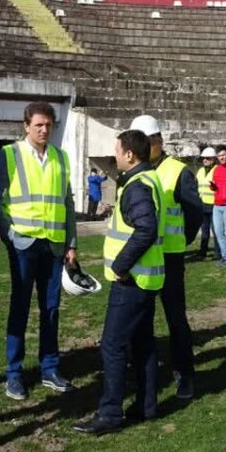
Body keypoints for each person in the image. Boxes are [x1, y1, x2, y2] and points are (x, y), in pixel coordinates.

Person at [73, 130, 165, 435]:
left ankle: (110, 413)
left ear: (130, 155)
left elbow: (145, 229)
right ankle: (147, 405)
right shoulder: (149, 179)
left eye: (117, 150)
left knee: (112, 345)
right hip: (147, 279)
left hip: (132, 280)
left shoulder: (137, 185)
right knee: (142, 344)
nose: (114, 155)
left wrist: (122, 265)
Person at [0, 101, 78, 401]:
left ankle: (50, 368)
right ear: (26, 126)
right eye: (38, 125)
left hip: (53, 245)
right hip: (23, 244)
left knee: (51, 309)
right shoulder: (9, 154)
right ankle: (14, 374)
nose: (44, 130)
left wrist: (71, 243)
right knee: (20, 307)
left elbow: (67, 203)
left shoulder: (61, 157)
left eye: (48, 125)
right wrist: (9, 235)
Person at [128, 115, 202, 400]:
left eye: (148, 142)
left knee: (175, 316)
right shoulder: (137, 169)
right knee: (140, 317)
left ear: (158, 141)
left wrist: (182, 240)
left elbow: (194, 213)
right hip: (142, 256)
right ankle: (143, 373)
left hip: (169, 256)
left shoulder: (178, 172)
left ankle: (185, 374)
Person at [196, 147, 220, 259]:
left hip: (214, 205)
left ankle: (217, 253)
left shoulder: (217, 170)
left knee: (216, 230)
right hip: (202, 205)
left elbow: (221, 187)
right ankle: (202, 252)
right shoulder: (200, 171)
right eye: (204, 158)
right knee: (204, 231)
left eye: (208, 158)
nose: (205, 160)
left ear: (213, 159)